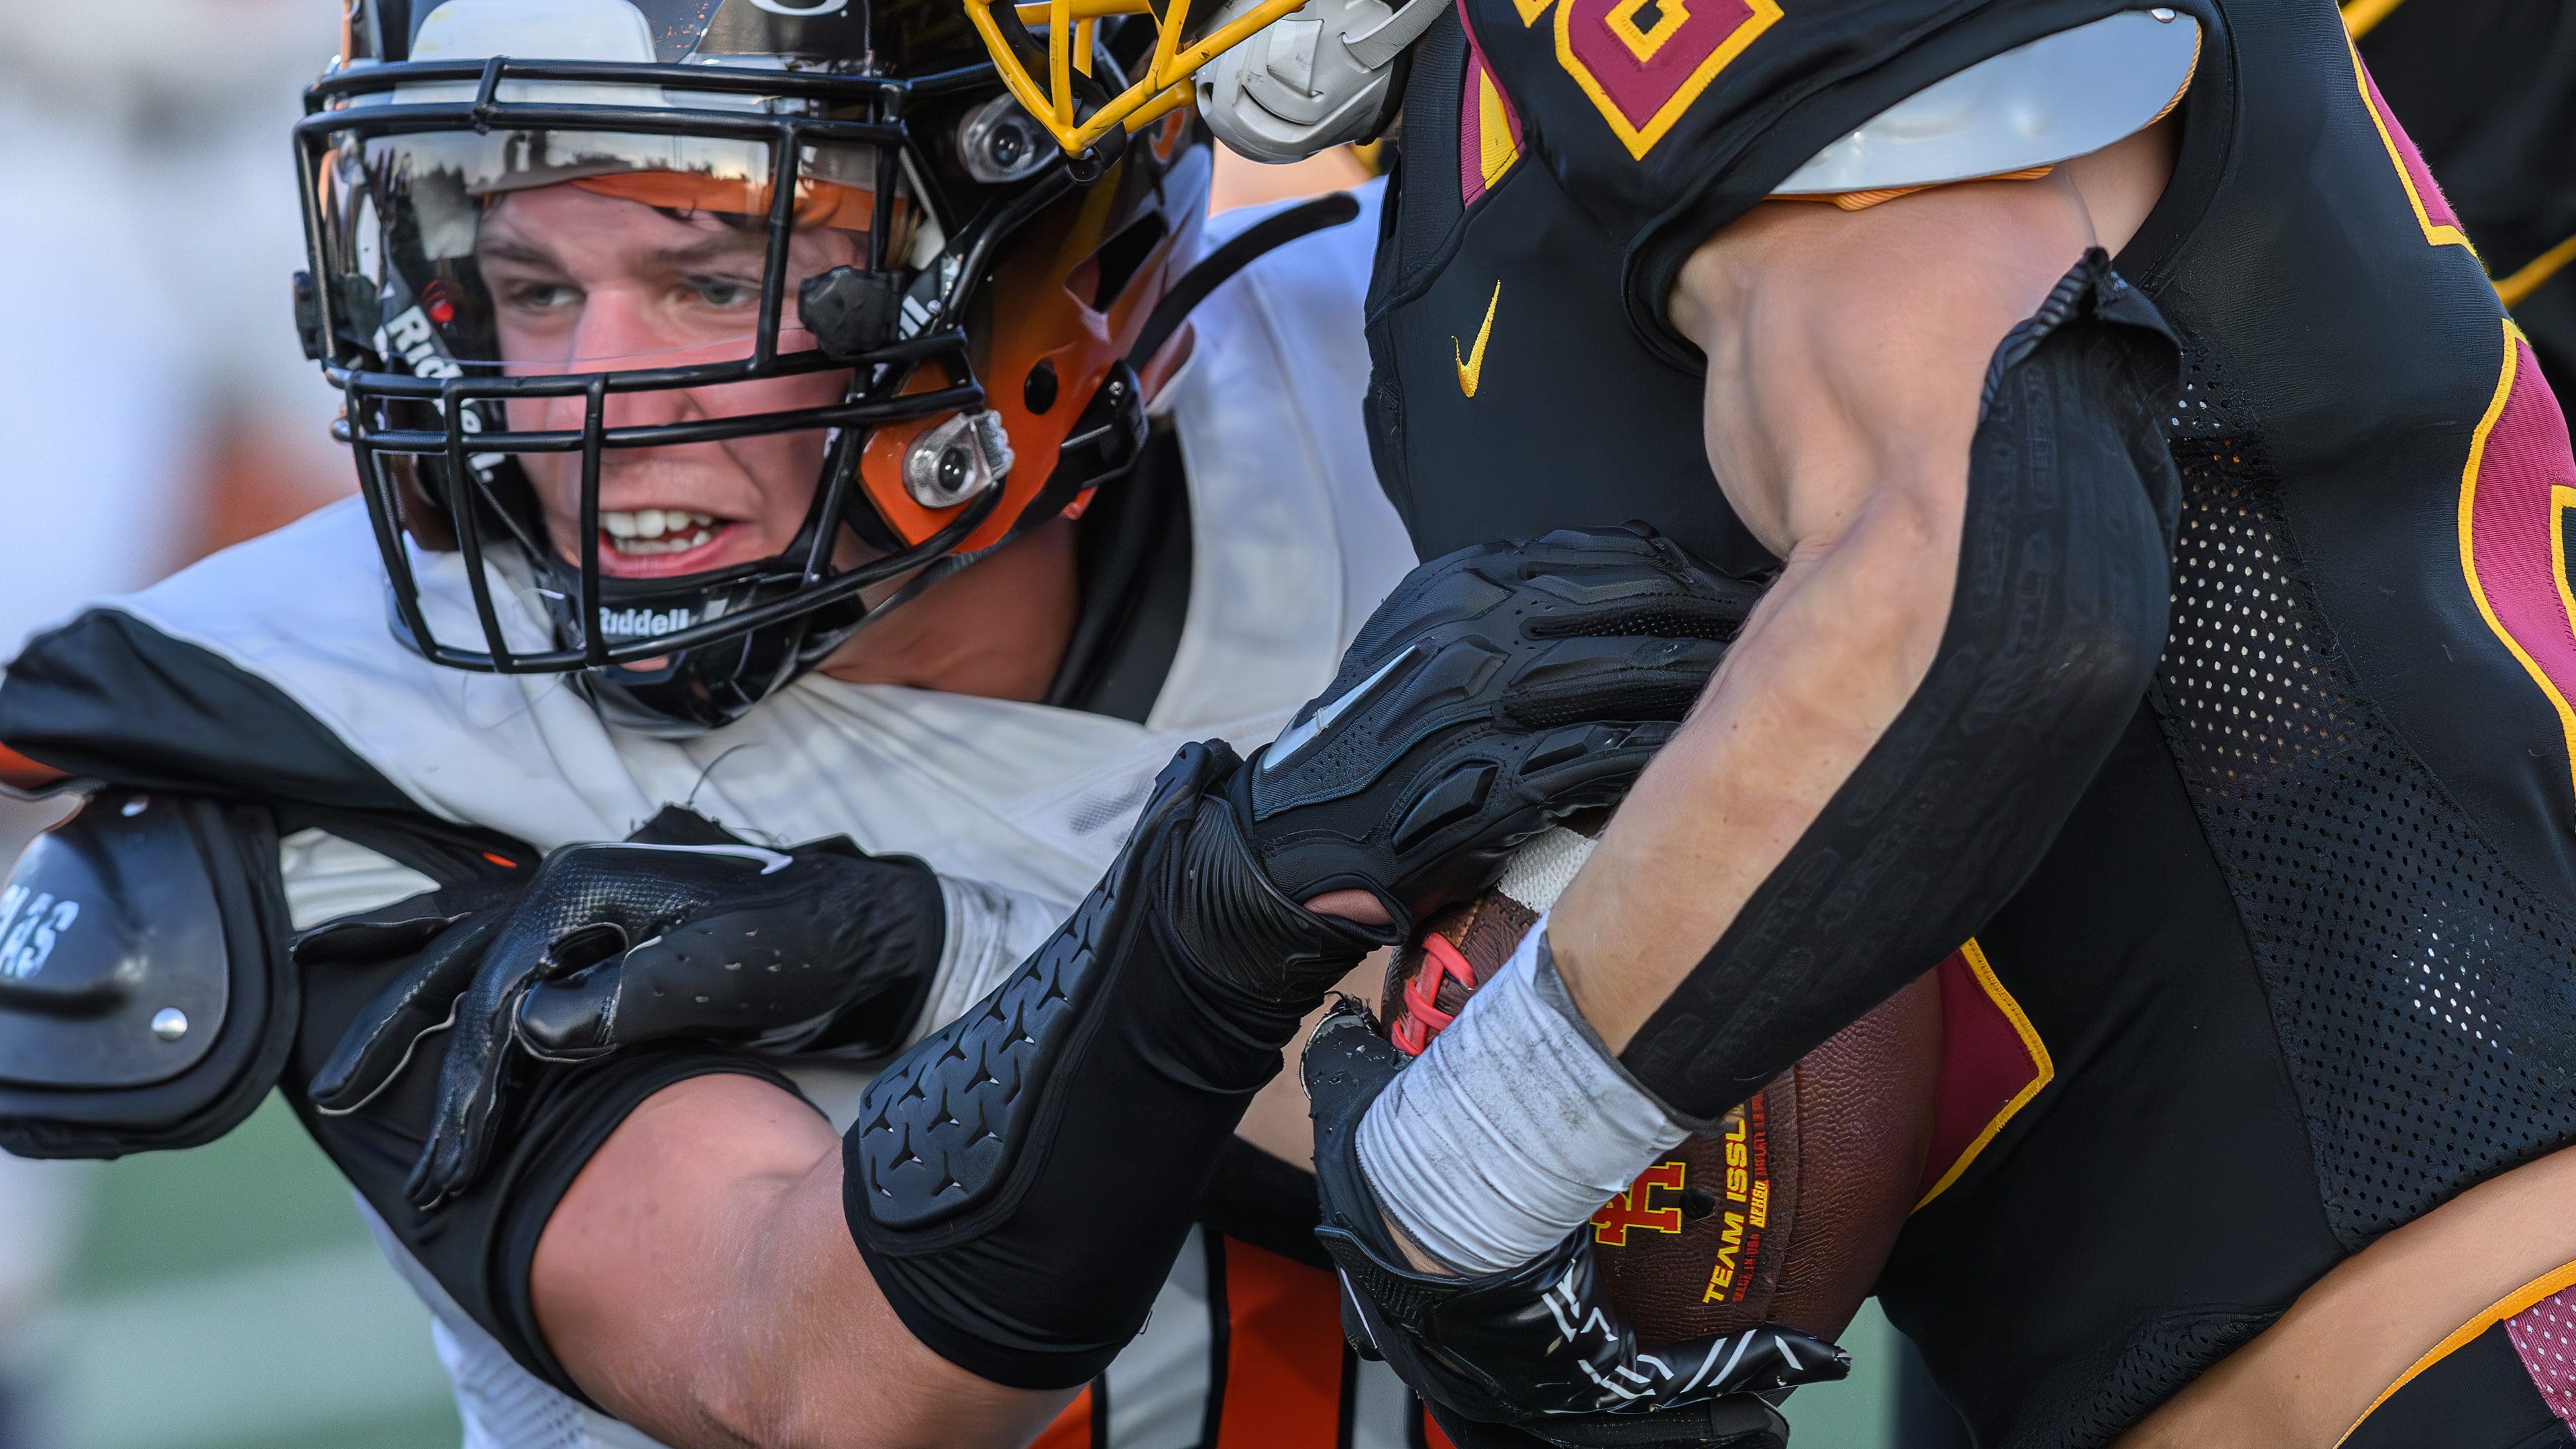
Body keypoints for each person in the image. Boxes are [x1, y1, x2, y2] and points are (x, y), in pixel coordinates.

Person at [0, 1, 1780, 1445]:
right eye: (530, 287)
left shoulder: (1418, 408)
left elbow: (1729, 1188)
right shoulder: (328, 701)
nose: (582, 399)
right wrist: (1192, 919)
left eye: (715, 278)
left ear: (1034, 270)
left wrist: (945, 949)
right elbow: (803, 1382)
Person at [956, 0, 2576, 1444]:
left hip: (2472, 1320)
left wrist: (1477, 1166)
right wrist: (973, 954)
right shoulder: (1483, 140)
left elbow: (1992, 574)